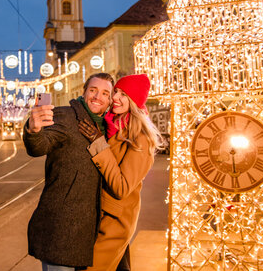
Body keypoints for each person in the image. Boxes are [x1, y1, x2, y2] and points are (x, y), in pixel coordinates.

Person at [23, 73, 114, 270]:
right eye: (93, 90)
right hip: (61, 227)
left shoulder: (108, 128)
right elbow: (39, 147)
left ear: (109, 101)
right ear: (84, 92)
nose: (98, 96)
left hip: (90, 231)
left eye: (105, 93)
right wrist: (33, 130)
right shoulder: (65, 115)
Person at [78, 74, 163, 271]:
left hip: (114, 222)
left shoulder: (140, 138)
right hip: (97, 215)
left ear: (134, 102)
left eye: (123, 95)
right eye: (116, 91)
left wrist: (98, 144)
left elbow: (122, 187)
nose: (115, 97)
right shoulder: (115, 128)